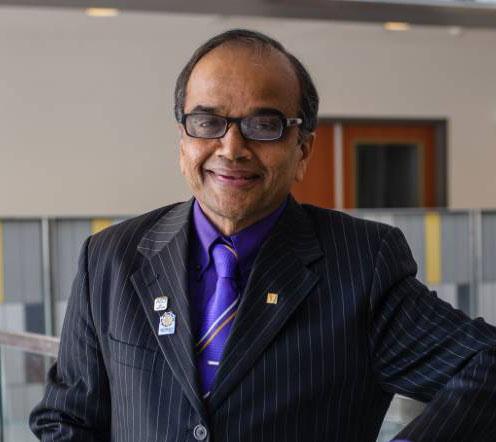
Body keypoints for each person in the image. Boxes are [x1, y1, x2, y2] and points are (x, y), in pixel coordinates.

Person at [30, 29, 496, 442]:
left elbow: (486, 366)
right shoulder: (112, 257)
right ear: (183, 140)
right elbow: (67, 418)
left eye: (264, 126)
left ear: (303, 149)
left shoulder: (361, 263)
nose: (231, 149)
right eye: (208, 122)